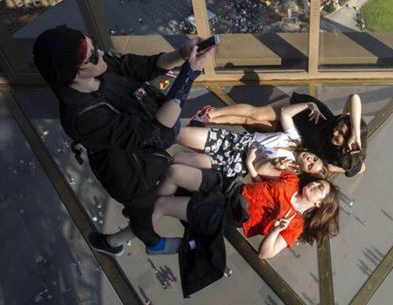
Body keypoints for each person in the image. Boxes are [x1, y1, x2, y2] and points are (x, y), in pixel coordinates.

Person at [32, 25, 212, 255]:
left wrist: (181, 54)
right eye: (92, 56)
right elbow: (154, 134)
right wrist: (187, 76)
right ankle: (153, 244)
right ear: (74, 74)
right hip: (129, 173)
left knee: (152, 202)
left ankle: (118, 240)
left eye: (94, 46)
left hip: (145, 156)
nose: (101, 54)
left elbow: (137, 66)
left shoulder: (100, 67)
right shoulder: (81, 116)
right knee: (144, 208)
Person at [95, 168, 340, 296]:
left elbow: (265, 253)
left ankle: (115, 241)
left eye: (320, 188)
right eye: (318, 182)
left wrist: (276, 230)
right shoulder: (293, 181)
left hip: (225, 212)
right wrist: (260, 163)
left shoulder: (295, 225)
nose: (314, 184)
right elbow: (262, 172)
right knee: (175, 172)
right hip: (228, 189)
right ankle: (142, 215)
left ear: (320, 205)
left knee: (163, 205)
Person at [194, 92, 367, 176]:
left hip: (297, 137)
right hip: (307, 113)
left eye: (340, 134)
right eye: (338, 127)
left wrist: (330, 167)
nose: (335, 131)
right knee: (257, 114)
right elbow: (354, 98)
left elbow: (361, 168)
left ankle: (211, 121)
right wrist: (355, 134)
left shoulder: (345, 159)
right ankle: (211, 113)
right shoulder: (348, 128)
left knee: (251, 122)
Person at [170, 101, 328, 182]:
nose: (310, 159)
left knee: (178, 160)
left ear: (305, 172)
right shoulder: (296, 140)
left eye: (310, 165)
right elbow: (285, 113)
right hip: (233, 141)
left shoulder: (289, 173)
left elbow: (258, 174)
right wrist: (309, 105)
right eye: (314, 158)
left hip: (232, 164)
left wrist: (274, 165)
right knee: (178, 134)